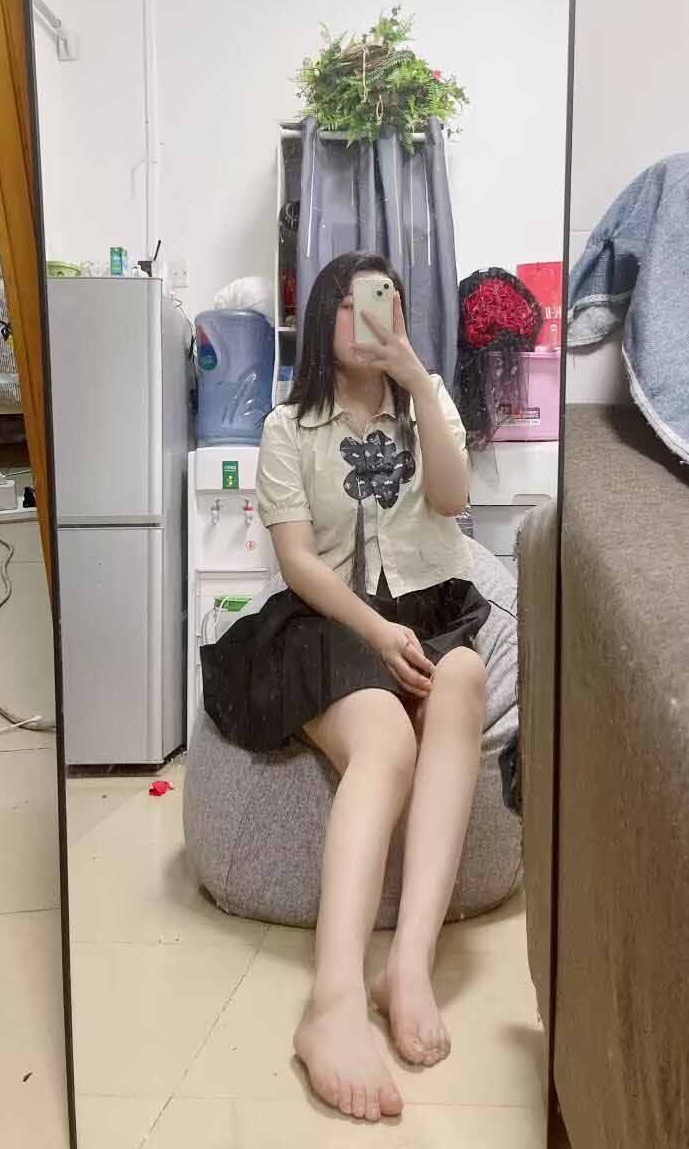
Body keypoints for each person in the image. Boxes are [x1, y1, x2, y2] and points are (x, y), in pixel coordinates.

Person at [201, 252, 490, 1123]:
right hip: (331, 621)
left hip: (431, 609)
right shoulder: (289, 427)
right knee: (388, 738)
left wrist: (418, 380)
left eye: (388, 300)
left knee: (466, 677)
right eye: (358, 302)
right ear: (326, 314)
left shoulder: (426, 401)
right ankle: (332, 1001)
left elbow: (453, 499)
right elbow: (297, 561)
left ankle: (407, 965)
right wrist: (375, 631)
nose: (374, 314)